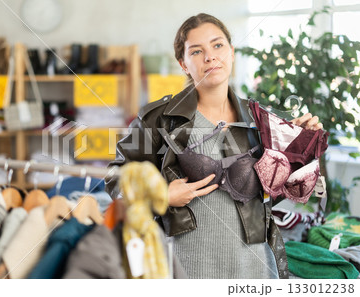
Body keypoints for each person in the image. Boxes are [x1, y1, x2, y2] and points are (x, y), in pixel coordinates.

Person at [105, 13, 323, 279]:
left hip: (255, 270)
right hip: (185, 270)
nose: (210, 57)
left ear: (231, 52)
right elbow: (115, 179)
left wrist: (299, 147)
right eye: (196, 51)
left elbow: (276, 191)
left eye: (217, 45)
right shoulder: (157, 120)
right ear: (183, 64)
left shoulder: (261, 120)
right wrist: (160, 196)